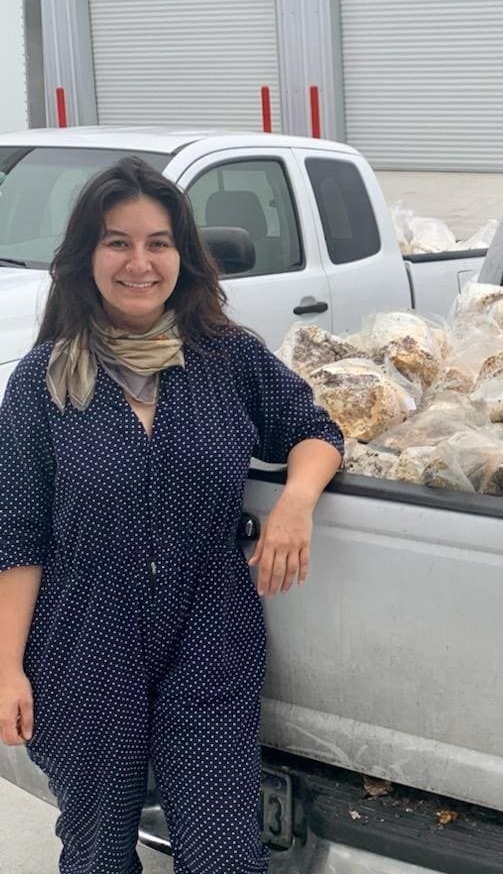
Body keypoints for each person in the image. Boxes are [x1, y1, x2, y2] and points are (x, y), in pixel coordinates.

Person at [0, 156, 344, 873]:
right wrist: (6, 668)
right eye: (116, 241)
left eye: (158, 242)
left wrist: (295, 504)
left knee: (223, 850)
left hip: (210, 628)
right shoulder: (41, 381)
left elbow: (315, 428)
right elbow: (18, 535)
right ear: (85, 257)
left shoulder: (227, 358)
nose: (139, 262)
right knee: (96, 851)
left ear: (181, 256)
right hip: (82, 639)